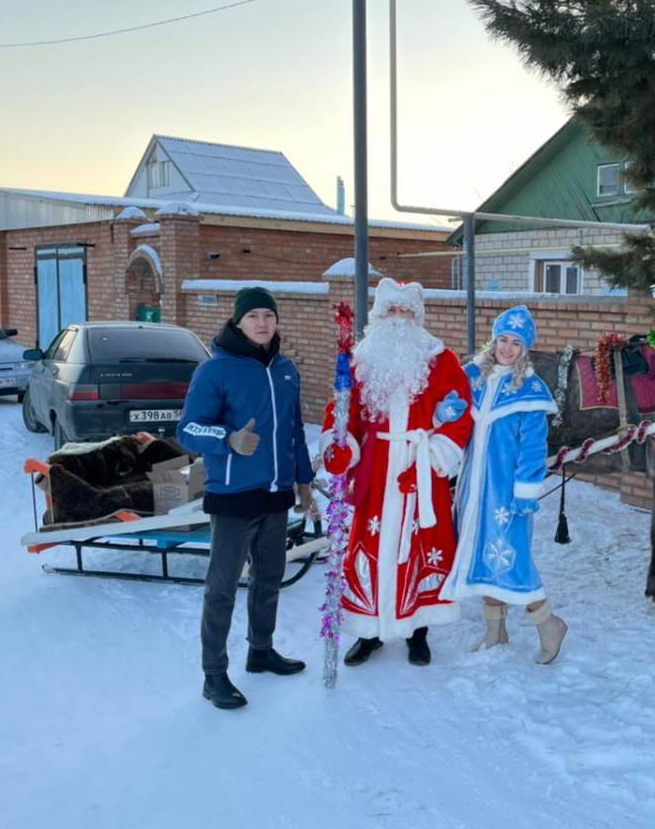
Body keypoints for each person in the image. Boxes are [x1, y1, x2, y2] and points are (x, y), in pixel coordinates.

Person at [321, 278, 474, 667]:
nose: (399, 319)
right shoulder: (360, 360)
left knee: (421, 546)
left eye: (407, 311)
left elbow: (460, 417)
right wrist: (338, 445)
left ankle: (417, 630)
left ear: (419, 317)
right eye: (392, 310)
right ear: (378, 315)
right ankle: (368, 632)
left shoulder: (443, 361)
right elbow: (344, 414)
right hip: (375, 470)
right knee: (370, 547)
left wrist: (435, 457)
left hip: (420, 470)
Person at [178, 286, 317, 709]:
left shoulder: (286, 369)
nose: (262, 322)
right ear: (238, 322)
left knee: (269, 580)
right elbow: (188, 429)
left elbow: (294, 431)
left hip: (275, 494)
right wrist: (228, 438)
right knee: (222, 588)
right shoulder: (215, 370)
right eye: (253, 315)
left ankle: (260, 651)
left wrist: (303, 481)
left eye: (268, 316)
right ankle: (214, 675)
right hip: (234, 496)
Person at [442, 306, 568, 664]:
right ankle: (495, 630)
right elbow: (451, 413)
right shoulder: (472, 377)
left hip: (505, 493)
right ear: (494, 339)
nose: (507, 348)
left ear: (525, 348)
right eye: (503, 339)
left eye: (516, 342)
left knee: (512, 558)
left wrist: (525, 492)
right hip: (472, 488)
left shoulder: (530, 388)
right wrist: (444, 413)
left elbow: (532, 448)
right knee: (485, 557)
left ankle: (548, 624)